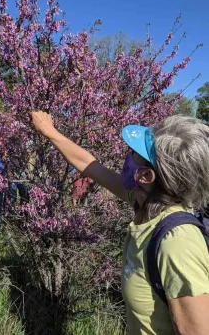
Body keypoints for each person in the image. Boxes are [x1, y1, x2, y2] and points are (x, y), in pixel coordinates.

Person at [31, 111, 209, 335]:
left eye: (133, 153)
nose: (127, 156)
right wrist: (50, 132)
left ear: (145, 176)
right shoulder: (146, 202)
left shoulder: (178, 243)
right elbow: (91, 166)